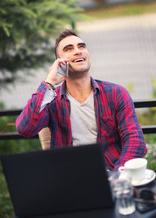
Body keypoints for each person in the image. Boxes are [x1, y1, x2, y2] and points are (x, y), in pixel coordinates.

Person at [16, 29, 147, 170]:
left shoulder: (116, 93)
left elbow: (135, 140)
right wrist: (49, 83)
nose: (78, 51)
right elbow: (25, 128)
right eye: (69, 49)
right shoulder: (51, 100)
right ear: (60, 63)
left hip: (112, 172)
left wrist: (118, 175)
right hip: (70, 177)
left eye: (81, 46)